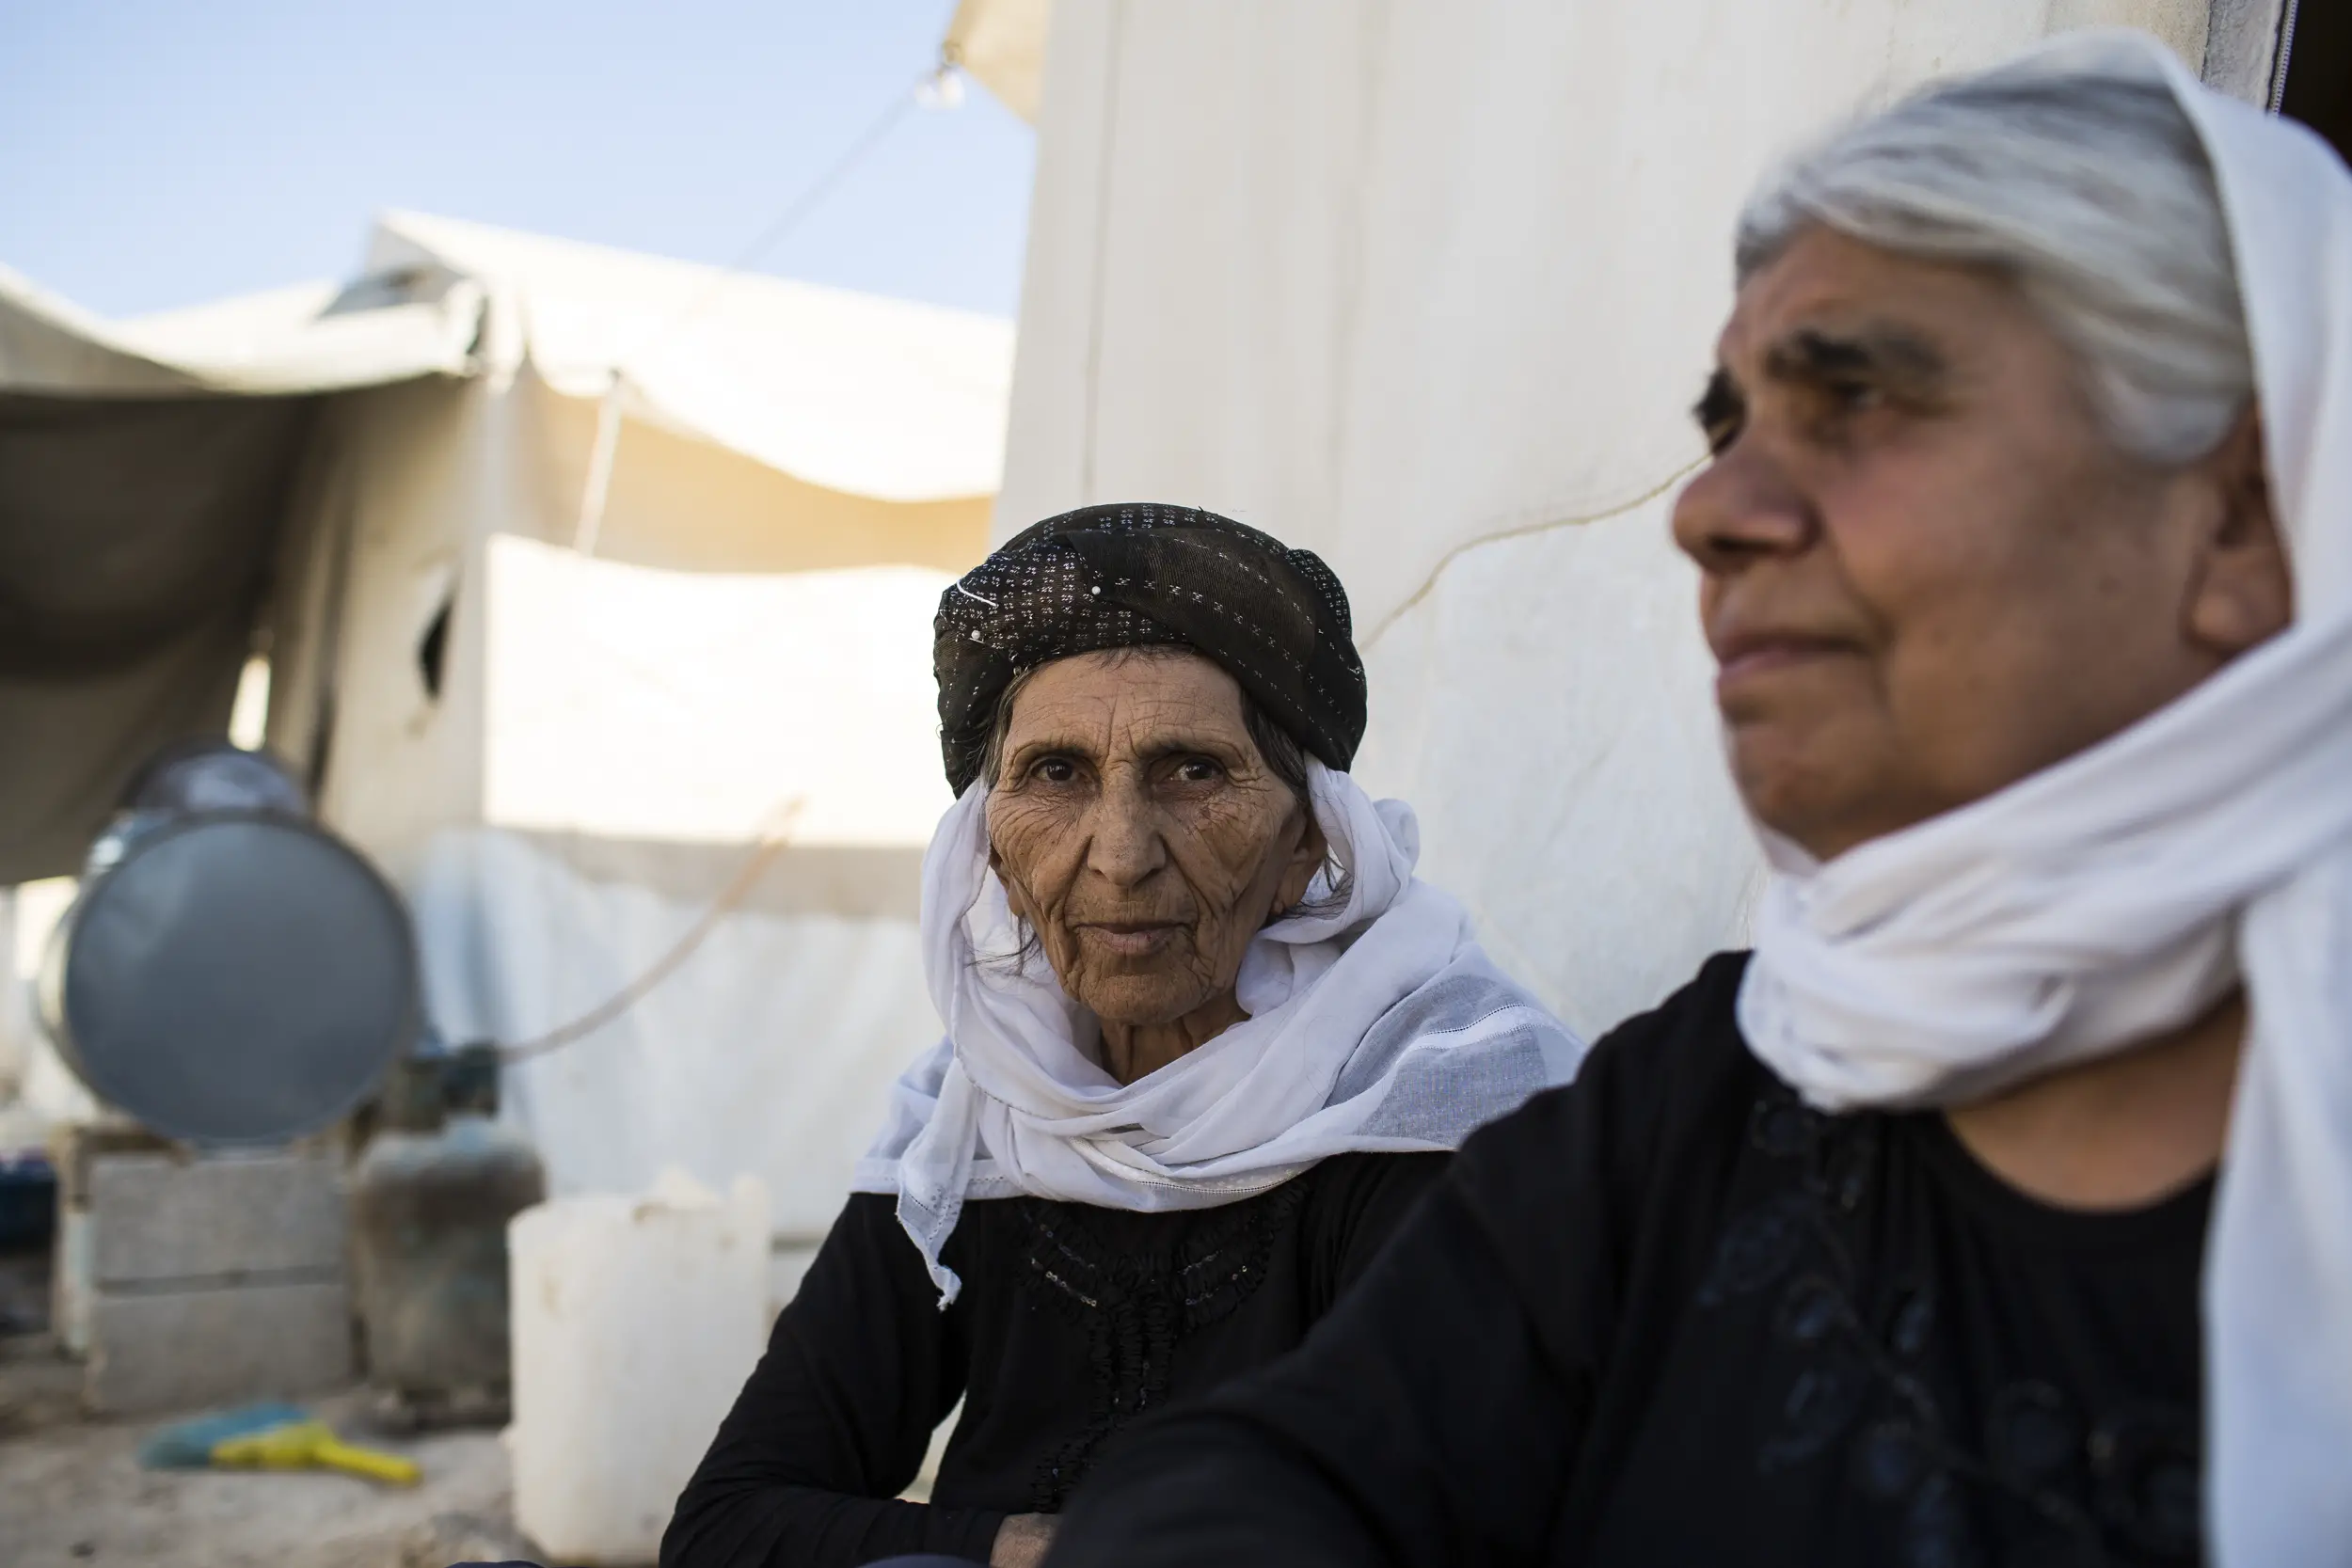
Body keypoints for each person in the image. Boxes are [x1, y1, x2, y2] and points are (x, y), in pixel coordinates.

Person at [1044, 32, 2352, 1568]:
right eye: (1727, 428)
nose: (1709, 513)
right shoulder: (1712, 1097)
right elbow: (1280, 1467)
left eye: (1857, 398)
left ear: (2248, 520)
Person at [659, 504, 1585, 1568]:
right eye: (1054, 774)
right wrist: (1033, 1551)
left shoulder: (1436, 1102)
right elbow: (726, 1526)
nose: (1119, 854)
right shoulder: (978, 1118)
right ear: (995, 854)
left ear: (1307, 844)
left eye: (1191, 770)